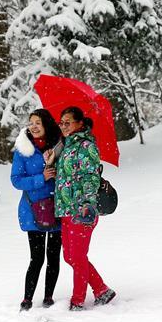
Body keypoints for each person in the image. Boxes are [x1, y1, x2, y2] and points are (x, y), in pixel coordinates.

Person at [45, 106, 116, 311]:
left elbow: (90, 177)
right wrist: (51, 159)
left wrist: (86, 204)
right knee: (70, 256)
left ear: (80, 123)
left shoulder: (86, 146)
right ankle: (102, 290)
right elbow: (64, 177)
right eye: (62, 122)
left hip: (81, 209)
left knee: (76, 257)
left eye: (68, 122)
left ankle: (77, 301)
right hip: (66, 208)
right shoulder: (65, 146)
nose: (64, 126)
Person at [10, 109, 63, 311]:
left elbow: (66, 175)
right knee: (37, 257)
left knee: (53, 256)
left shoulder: (59, 147)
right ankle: (27, 298)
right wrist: (42, 177)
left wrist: (55, 166)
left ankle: (48, 296)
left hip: (57, 206)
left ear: (46, 124)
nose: (33, 126)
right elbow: (16, 180)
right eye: (31, 122)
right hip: (33, 210)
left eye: (38, 122)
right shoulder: (23, 150)